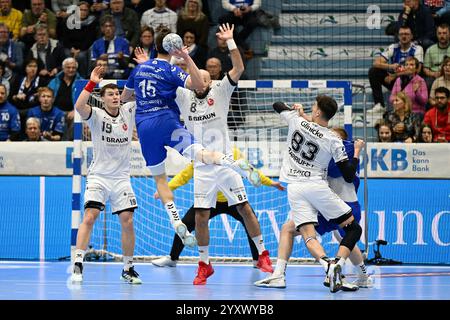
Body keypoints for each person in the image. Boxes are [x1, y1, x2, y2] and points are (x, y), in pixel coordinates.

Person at [121, 25, 261, 257]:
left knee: (160, 180)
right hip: (173, 130)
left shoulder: (219, 91)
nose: (204, 82)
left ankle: (175, 221)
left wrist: (145, 68)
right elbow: (192, 81)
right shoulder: (180, 83)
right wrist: (185, 56)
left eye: (207, 78)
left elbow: (126, 97)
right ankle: (237, 164)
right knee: (202, 159)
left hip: (145, 128)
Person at [254, 97, 365, 293]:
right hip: (316, 187)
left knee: (308, 235)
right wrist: (356, 153)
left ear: (317, 113)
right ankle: (337, 264)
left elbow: (277, 105)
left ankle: (322, 267)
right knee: (353, 229)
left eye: (314, 107)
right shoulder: (333, 139)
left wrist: (295, 110)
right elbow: (348, 174)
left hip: (295, 189)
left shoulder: (298, 121)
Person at [151, 146, 285, 268]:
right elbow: (183, 176)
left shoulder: (234, 152)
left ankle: (258, 260)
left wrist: (271, 183)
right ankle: (173, 258)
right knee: (185, 224)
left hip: (232, 201)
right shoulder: (202, 155)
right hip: (210, 202)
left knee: (250, 221)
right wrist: (166, 189)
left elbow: (250, 170)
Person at [70, 66, 141, 284]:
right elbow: (79, 105)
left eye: (117, 93)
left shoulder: (129, 110)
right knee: (90, 217)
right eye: (110, 94)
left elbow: (144, 92)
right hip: (99, 176)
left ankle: (128, 268)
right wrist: (91, 82)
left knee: (128, 221)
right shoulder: (96, 115)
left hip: (121, 178)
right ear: (102, 98)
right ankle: (78, 264)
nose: (116, 96)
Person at [367, 26, 423, 115]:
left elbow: (417, 70)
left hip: (410, 82)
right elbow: (376, 63)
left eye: (406, 34)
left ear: (411, 36)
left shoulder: (417, 49)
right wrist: (390, 66)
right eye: (401, 34)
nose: (404, 36)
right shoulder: (393, 47)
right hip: (396, 82)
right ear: (398, 36)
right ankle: (379, 105)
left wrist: (394, 75)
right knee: (374, 71)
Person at [90, 15, 130, 79]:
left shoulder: (124, 42)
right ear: (102, 28)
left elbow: (126, 64)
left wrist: (121, 58)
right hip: (102, 70)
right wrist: (99, 59)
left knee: (117, 75)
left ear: (114, 28)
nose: (108, 29)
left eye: (110, 26)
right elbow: (92, 65)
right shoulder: (96, 44)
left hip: (118, 70)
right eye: (106, 26)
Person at [423, 24, 450, 90]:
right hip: (435, 75)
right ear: (437, 35)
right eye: (439, 33)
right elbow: (425, 68)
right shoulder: (430, 49)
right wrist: (433, 74)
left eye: (444, 33)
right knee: (427, 83)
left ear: (449, 35)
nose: (442, 35)